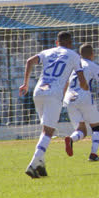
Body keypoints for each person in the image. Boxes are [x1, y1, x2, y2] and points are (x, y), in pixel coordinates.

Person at [19, 31, 88, 179]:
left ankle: (41, 166)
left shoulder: (47, 52)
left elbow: (29, 61)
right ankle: (32, 164)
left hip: (38, 92)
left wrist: (25, 84)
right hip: (54, 94)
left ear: (57, 43)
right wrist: (84, 88)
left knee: (46, 130)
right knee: (48, 132)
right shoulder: (74, 55)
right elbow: (81, 79)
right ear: (70, 44)